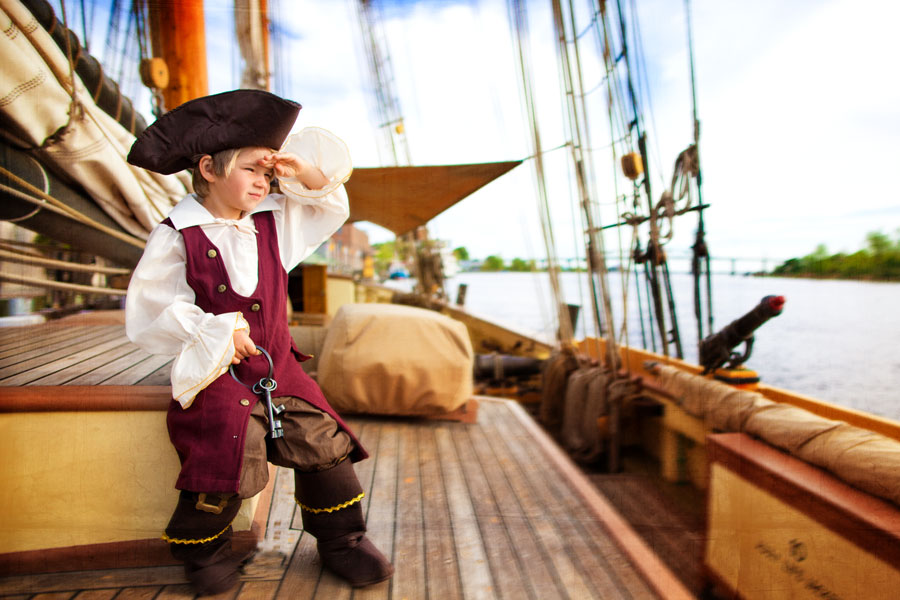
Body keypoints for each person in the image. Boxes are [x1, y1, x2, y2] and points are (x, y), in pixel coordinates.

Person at [125, 89, 393, 595]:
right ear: (207, 167)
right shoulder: (176, 234)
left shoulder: (273, 221)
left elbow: (330, 204)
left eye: (268, 174)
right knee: (224, 458)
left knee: (325, 445)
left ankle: (343, 541)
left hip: (280, 370)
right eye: (251, 169)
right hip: (216, 373)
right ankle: (203, 556)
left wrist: (296, 169)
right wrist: (219, 329)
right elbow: (152, 311)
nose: (263, 182)